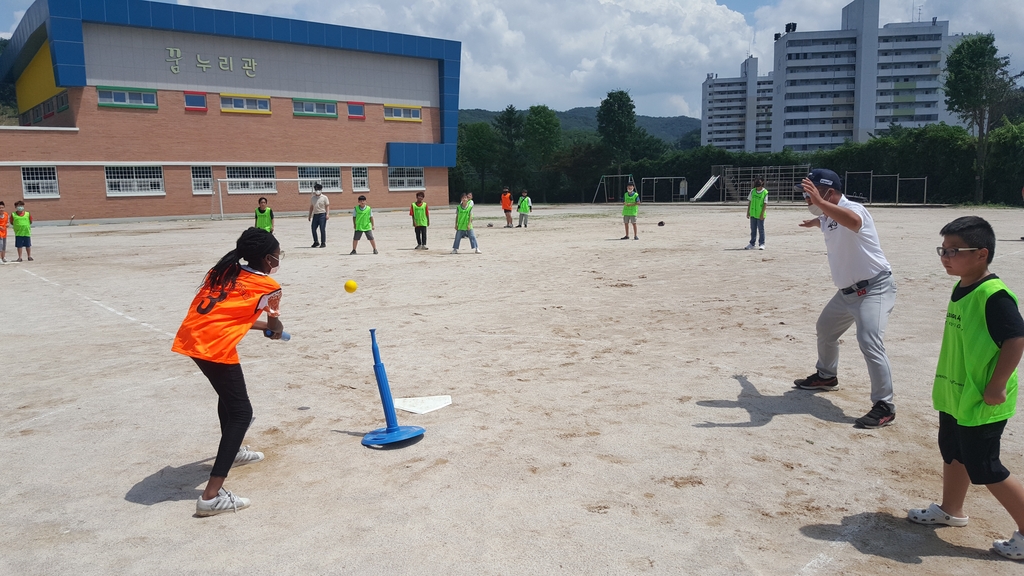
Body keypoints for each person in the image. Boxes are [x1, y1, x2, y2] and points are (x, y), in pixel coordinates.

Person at [908, 216, 1024, 561]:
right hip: (957, 394)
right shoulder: (962, 286)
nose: (946, 257)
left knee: (985, 467)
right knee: (953, 451)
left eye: (954, 251)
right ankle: (951, 509)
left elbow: (1016, 339)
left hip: (983, 397)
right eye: (943, 250)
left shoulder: (994, 294)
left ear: (981, 254)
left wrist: (997, 385)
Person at [171, 227, 285, 516]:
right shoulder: (269, 286)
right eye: (277, 255)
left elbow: (228, 314)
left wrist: (260, 327)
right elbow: (274, 327)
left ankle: (233, 453)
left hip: (192, 336)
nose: (279, 259)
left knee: (228, 396)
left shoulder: (222, 271)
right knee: (242, 413)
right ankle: (210, 497)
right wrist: (275, 331)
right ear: (267, 259)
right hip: (214, 345)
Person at [794, 168, 897, 429]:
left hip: (875, 288)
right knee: (825, 329)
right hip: (846, 293)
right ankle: (827, 377)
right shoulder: (827, 214)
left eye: (810, 193)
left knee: (869, 340)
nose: (806, 199)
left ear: (828, 191)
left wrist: (819, 203)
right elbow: (827, 221)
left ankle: (884, 405)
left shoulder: (855, 209)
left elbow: (852, 222)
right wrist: (815, 221)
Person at [745, 178, 767, 250]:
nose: (757, 188)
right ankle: (752, 243)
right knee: (753, 229)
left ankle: (762, 243)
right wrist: (748, 212)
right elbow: (750, 202)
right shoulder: (752, 191)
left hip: (760, 214)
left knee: (761, 229)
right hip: (753, 213)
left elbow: (765, 204)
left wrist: (762, 214)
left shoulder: (765, 192)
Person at [307, 183, 329, 248]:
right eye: (316, 189)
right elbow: (311, 207)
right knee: (313, 228)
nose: (317, 190)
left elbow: (327, 206)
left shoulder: (324, 197)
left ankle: (323, 242)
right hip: (315, 215)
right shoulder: (313, 198)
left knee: (322, 229)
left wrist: (327, 214)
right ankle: (316, 241)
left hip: (322, 214)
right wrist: (309, 215)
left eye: (319, 189)